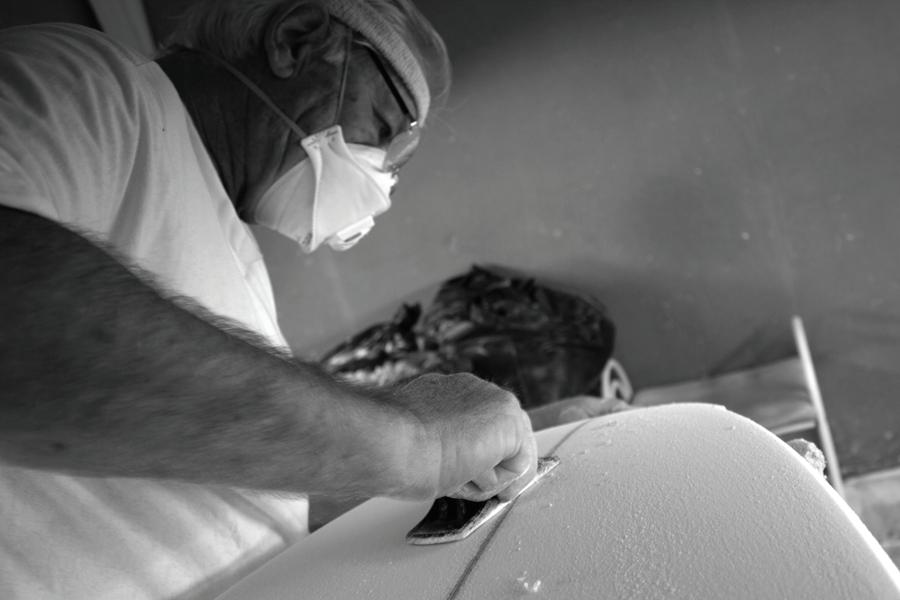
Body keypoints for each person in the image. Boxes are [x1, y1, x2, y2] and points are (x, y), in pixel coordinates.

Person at [0, 1, 621, 598]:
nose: (381, 182)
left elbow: (249, 474)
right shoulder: (89, 87)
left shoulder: (229, 246)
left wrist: (502, 450)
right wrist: (416, 441)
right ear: (295, 40)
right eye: (382, 128)